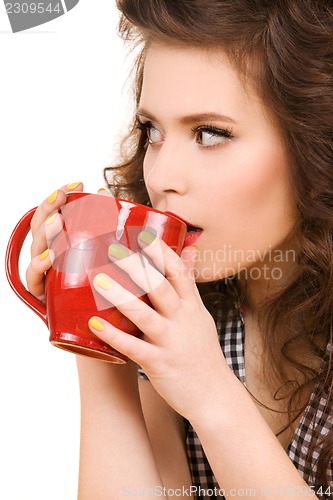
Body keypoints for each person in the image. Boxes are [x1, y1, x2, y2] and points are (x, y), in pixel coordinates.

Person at [25, 0, 333, 498]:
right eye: (153, 132)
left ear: (317, 146)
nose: (162, 178)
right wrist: (96, 331)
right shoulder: (185, 310)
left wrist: (212, 396)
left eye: (210, 134)